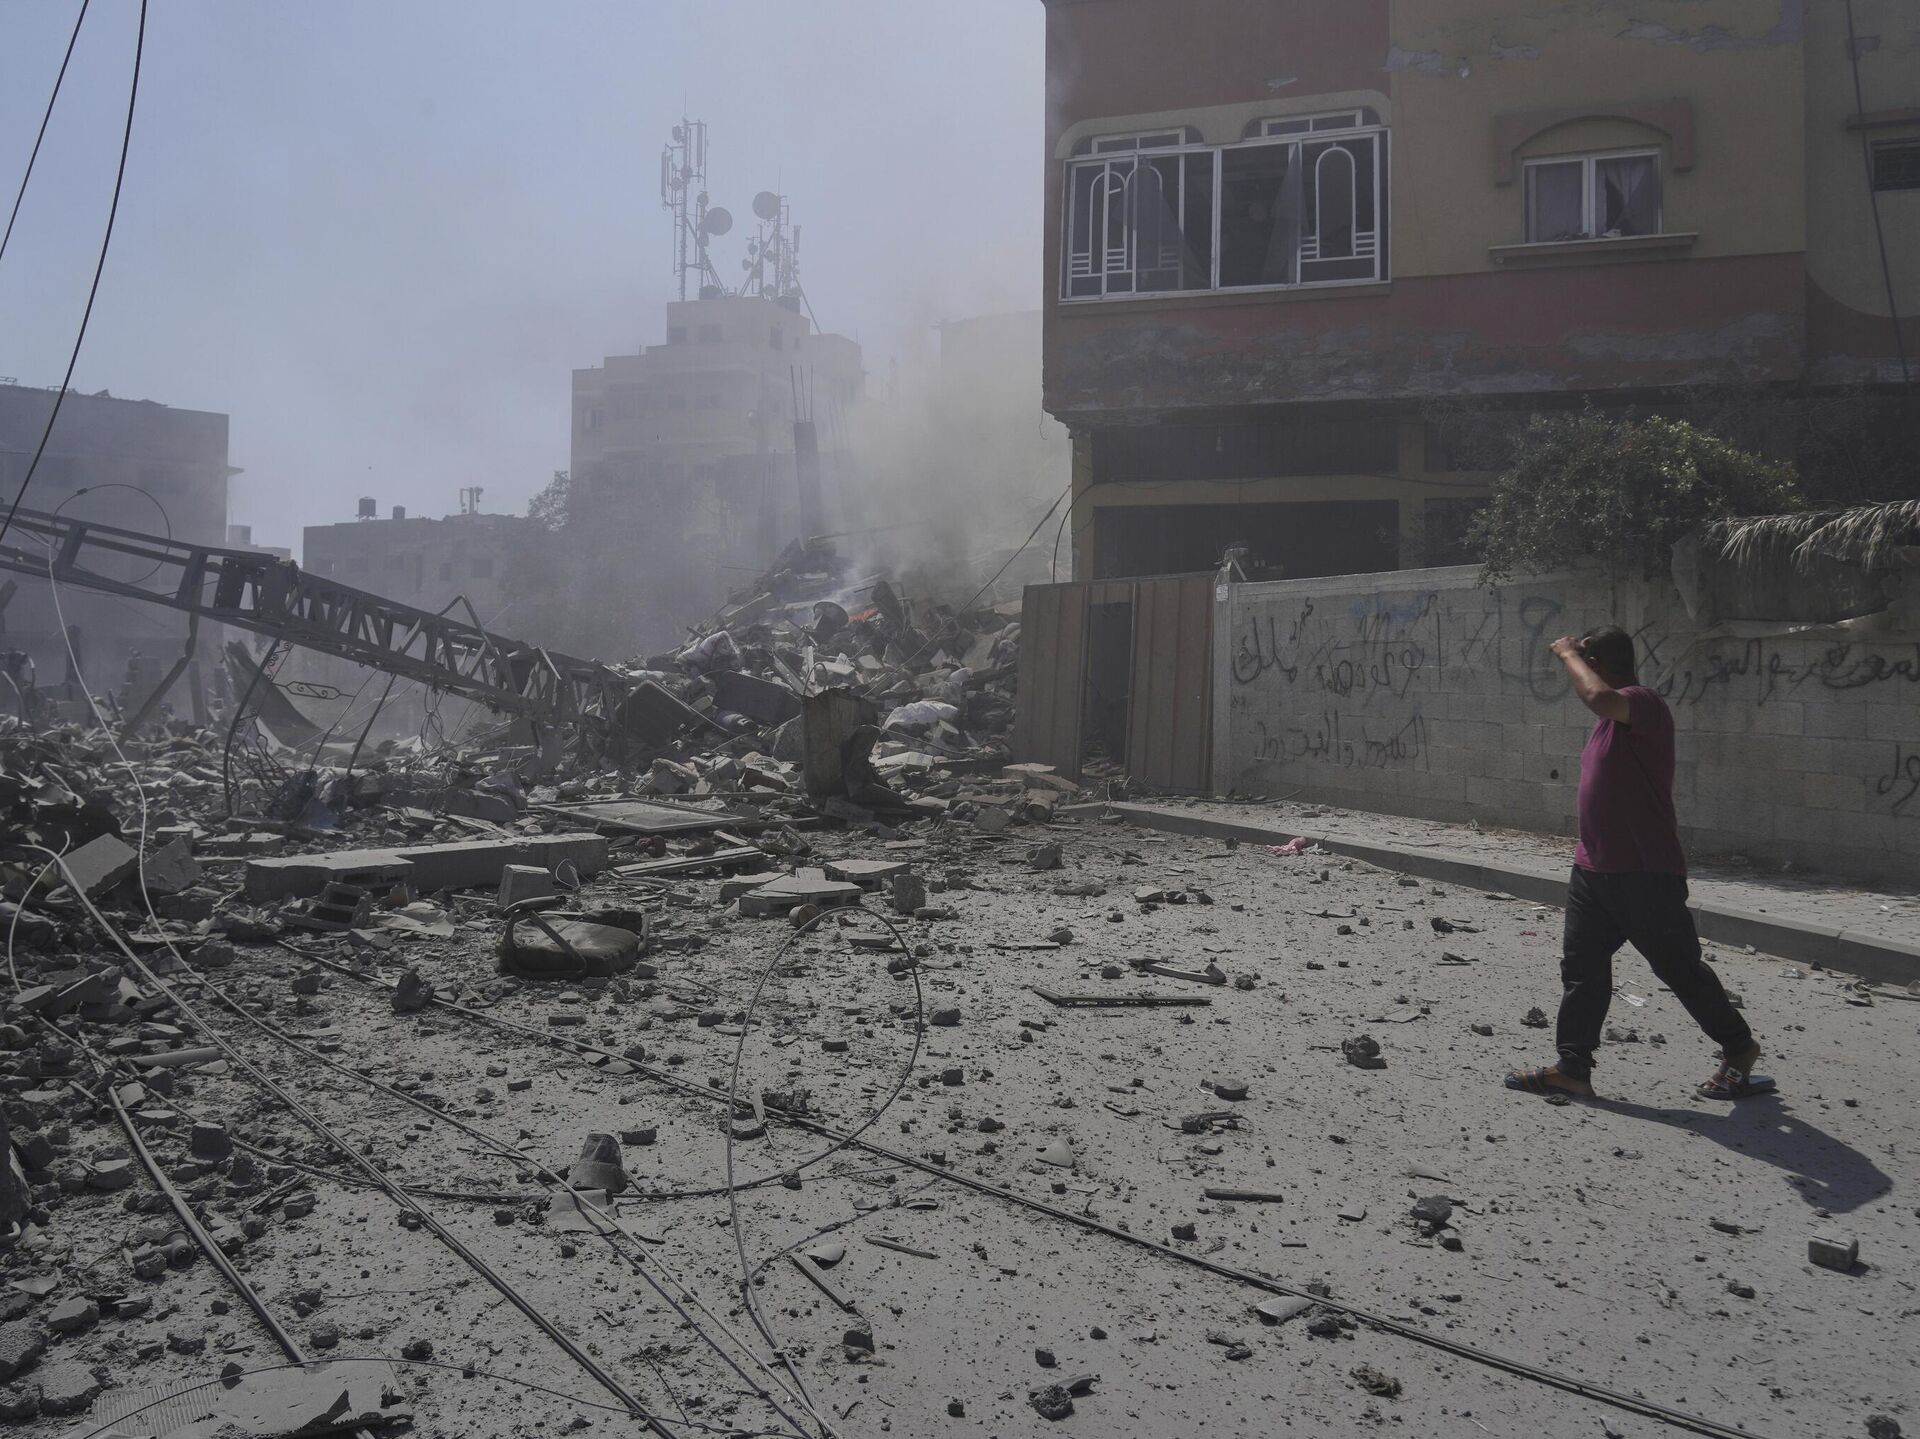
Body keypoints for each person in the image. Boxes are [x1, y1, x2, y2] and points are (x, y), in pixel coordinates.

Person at [1505, 625, 1770, 1101]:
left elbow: (1598, 698)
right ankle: (1573, 1067)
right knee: (1582, 969)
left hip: (1645, 873)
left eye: (1585, 663)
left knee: (1679, 969)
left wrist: (1566, 653)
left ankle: (1739, 1048)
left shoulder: (1643, 703)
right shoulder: (1610, 722)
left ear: (1596, 664)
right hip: (1593, 871)